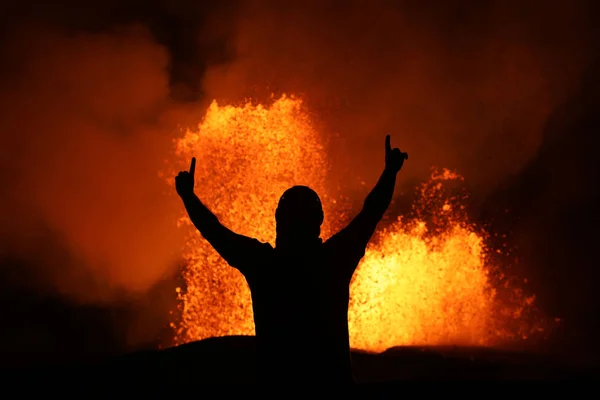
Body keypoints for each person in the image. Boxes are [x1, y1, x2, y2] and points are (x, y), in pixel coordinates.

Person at [175, 134, 408, 384]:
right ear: (318, 221)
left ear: (278, 220)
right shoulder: (333, 259)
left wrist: (189, 197)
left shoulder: (263, 264)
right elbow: (371, 212)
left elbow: (215, 231)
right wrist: (390, 172)